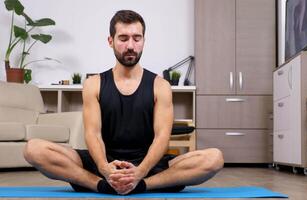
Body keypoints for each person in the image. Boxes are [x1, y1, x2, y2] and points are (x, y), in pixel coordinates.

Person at [23, 10, 224, 195]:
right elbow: (93, 134)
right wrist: (104, 168)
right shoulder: (93, 84)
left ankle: (143, 185)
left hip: (149, 166)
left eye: (137, 38)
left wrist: (141, 172)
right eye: (123, 38)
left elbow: (162, 137)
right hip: (102, 163)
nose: (130, 45)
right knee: (33, 149)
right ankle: (100, 185)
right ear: (110, 41)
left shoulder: (160, 86)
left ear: (144, 40)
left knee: (214, 158)